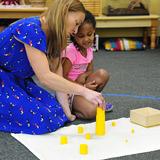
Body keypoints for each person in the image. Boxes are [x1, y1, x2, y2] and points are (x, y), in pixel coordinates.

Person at [0, 0, 105, 135]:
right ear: (65, 11)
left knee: (56, 111)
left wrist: (67, 113)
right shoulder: (31, 28)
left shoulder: (55, 36)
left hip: (16, 80)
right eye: (76, 23)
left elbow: (57, 76)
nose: (76, 30)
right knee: (42, 119)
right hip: (3, 79)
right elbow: (45, 78)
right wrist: (84, 92)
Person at [62, 10, 113, 119]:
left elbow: (90, 70)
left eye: (90, 34)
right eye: (81, 36)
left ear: (94, 31)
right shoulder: (71, 52)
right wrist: (83, 87)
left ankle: (92, 100)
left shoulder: (89, 49)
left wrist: (84, 76)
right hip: (70, 92)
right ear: (74, 34)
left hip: (83, 86)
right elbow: (62, 77)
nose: (86, 39)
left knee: (103, 74)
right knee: (92, 112)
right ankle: (74, 108)